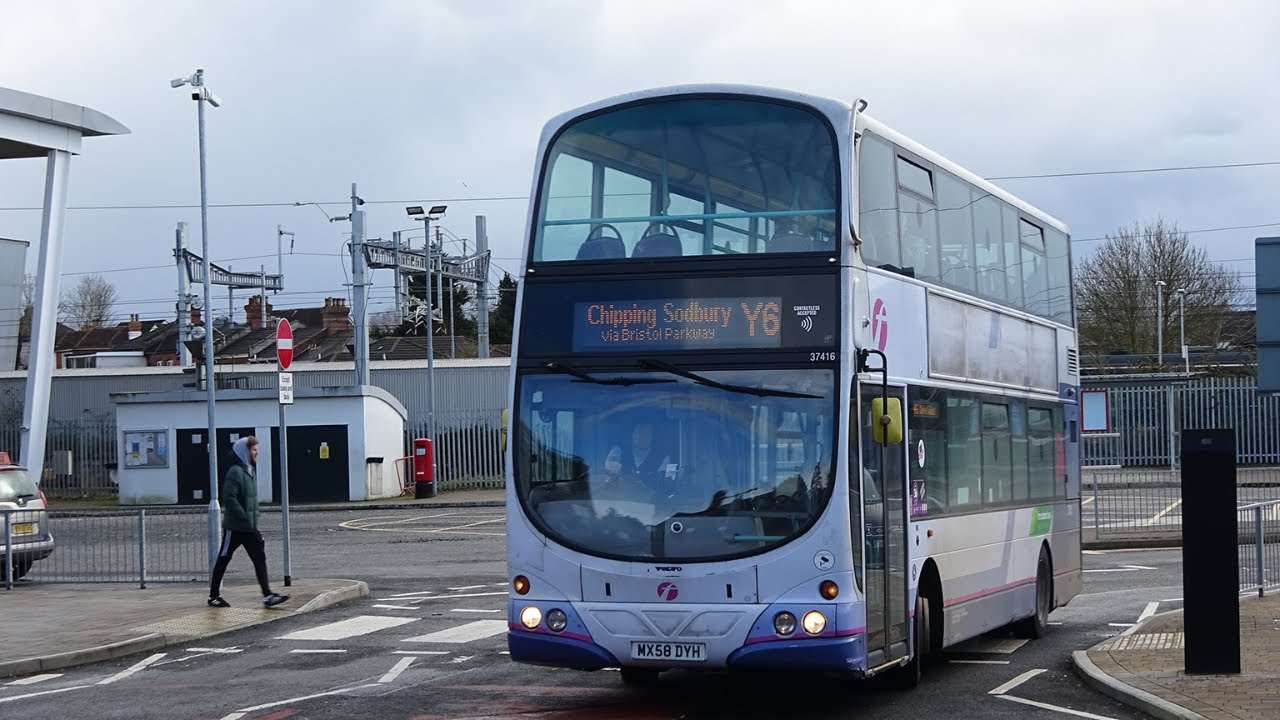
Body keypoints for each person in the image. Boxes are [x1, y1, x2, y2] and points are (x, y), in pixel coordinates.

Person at [208, 436, 289, 609]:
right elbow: (229, 498)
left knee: (259, 557)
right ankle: (213, 596)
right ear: (245, 452)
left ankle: (267, 595)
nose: (257, 452)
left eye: (256, 449)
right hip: (235, 527)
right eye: (253, 450)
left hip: (247, 527)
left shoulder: (247, 470)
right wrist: (244, 516)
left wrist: (253, 520)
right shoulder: (236, 472)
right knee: (224, 558)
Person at [602, 422, 673, 491]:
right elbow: (610, 464)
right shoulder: (618, 450)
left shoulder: (663, 457)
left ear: (652, 437)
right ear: (632, 435)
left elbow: (664, 484)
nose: (639, 437)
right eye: (637, 433)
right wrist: (612, 466)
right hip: (620, 498)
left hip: (650, 501)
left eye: (645, 434)